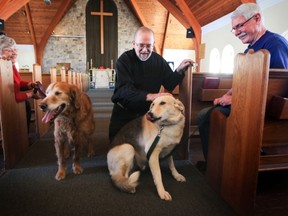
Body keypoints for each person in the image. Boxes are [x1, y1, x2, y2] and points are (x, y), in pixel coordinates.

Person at [196, 3, 288, 171]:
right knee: (209, 113)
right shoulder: (250, 50)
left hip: (262, 111)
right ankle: (217, 162)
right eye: (234, 29)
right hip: (247, 103)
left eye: (239, 26)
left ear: (257, 18)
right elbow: (242, 81)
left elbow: (275, 88)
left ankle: (217, 166)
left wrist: (233, 99)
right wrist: (226, 95)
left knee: (207, 116)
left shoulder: (275, 44)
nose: (237, 32)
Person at [109, 26, 194, 141]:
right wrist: (152, 96)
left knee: (144, 155)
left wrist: (179, 70)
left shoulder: (158, 61)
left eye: (149, 46)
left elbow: (170, 83)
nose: (145, 50)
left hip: (146, 116)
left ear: (153, 44)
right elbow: (125, 91)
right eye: (141, 45)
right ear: (134, 43)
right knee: (118, 153)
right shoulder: (124, 60)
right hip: (124, 115)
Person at [0, 35, 40, 133]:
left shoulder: (10, 65)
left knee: (26, 105)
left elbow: (18, 83)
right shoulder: (2, 67)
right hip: (4, 105)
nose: (13, 53)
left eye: (13, 50)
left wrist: (30, 85)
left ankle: (23, 137)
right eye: (8, 50)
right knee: (25, 104)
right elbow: (11, 97)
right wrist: (30, 94)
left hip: (11, 102)